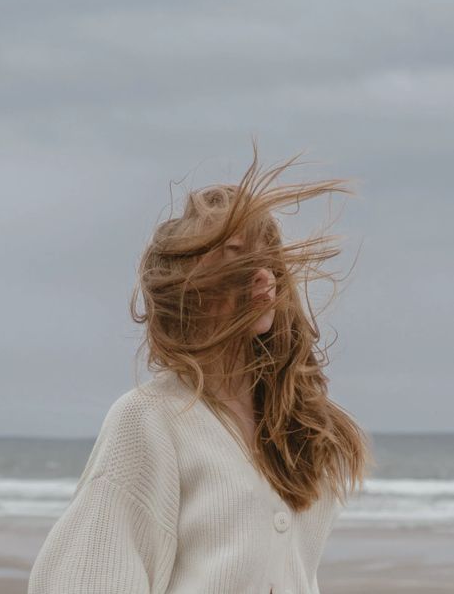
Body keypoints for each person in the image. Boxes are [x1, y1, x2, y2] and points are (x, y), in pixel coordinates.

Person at [28, 143, 374, 594]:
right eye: (235, 253)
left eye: (268, 257)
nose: (263, 273)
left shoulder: (297, 425)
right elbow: (85, 578)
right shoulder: (149, 419)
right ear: (187, 281)